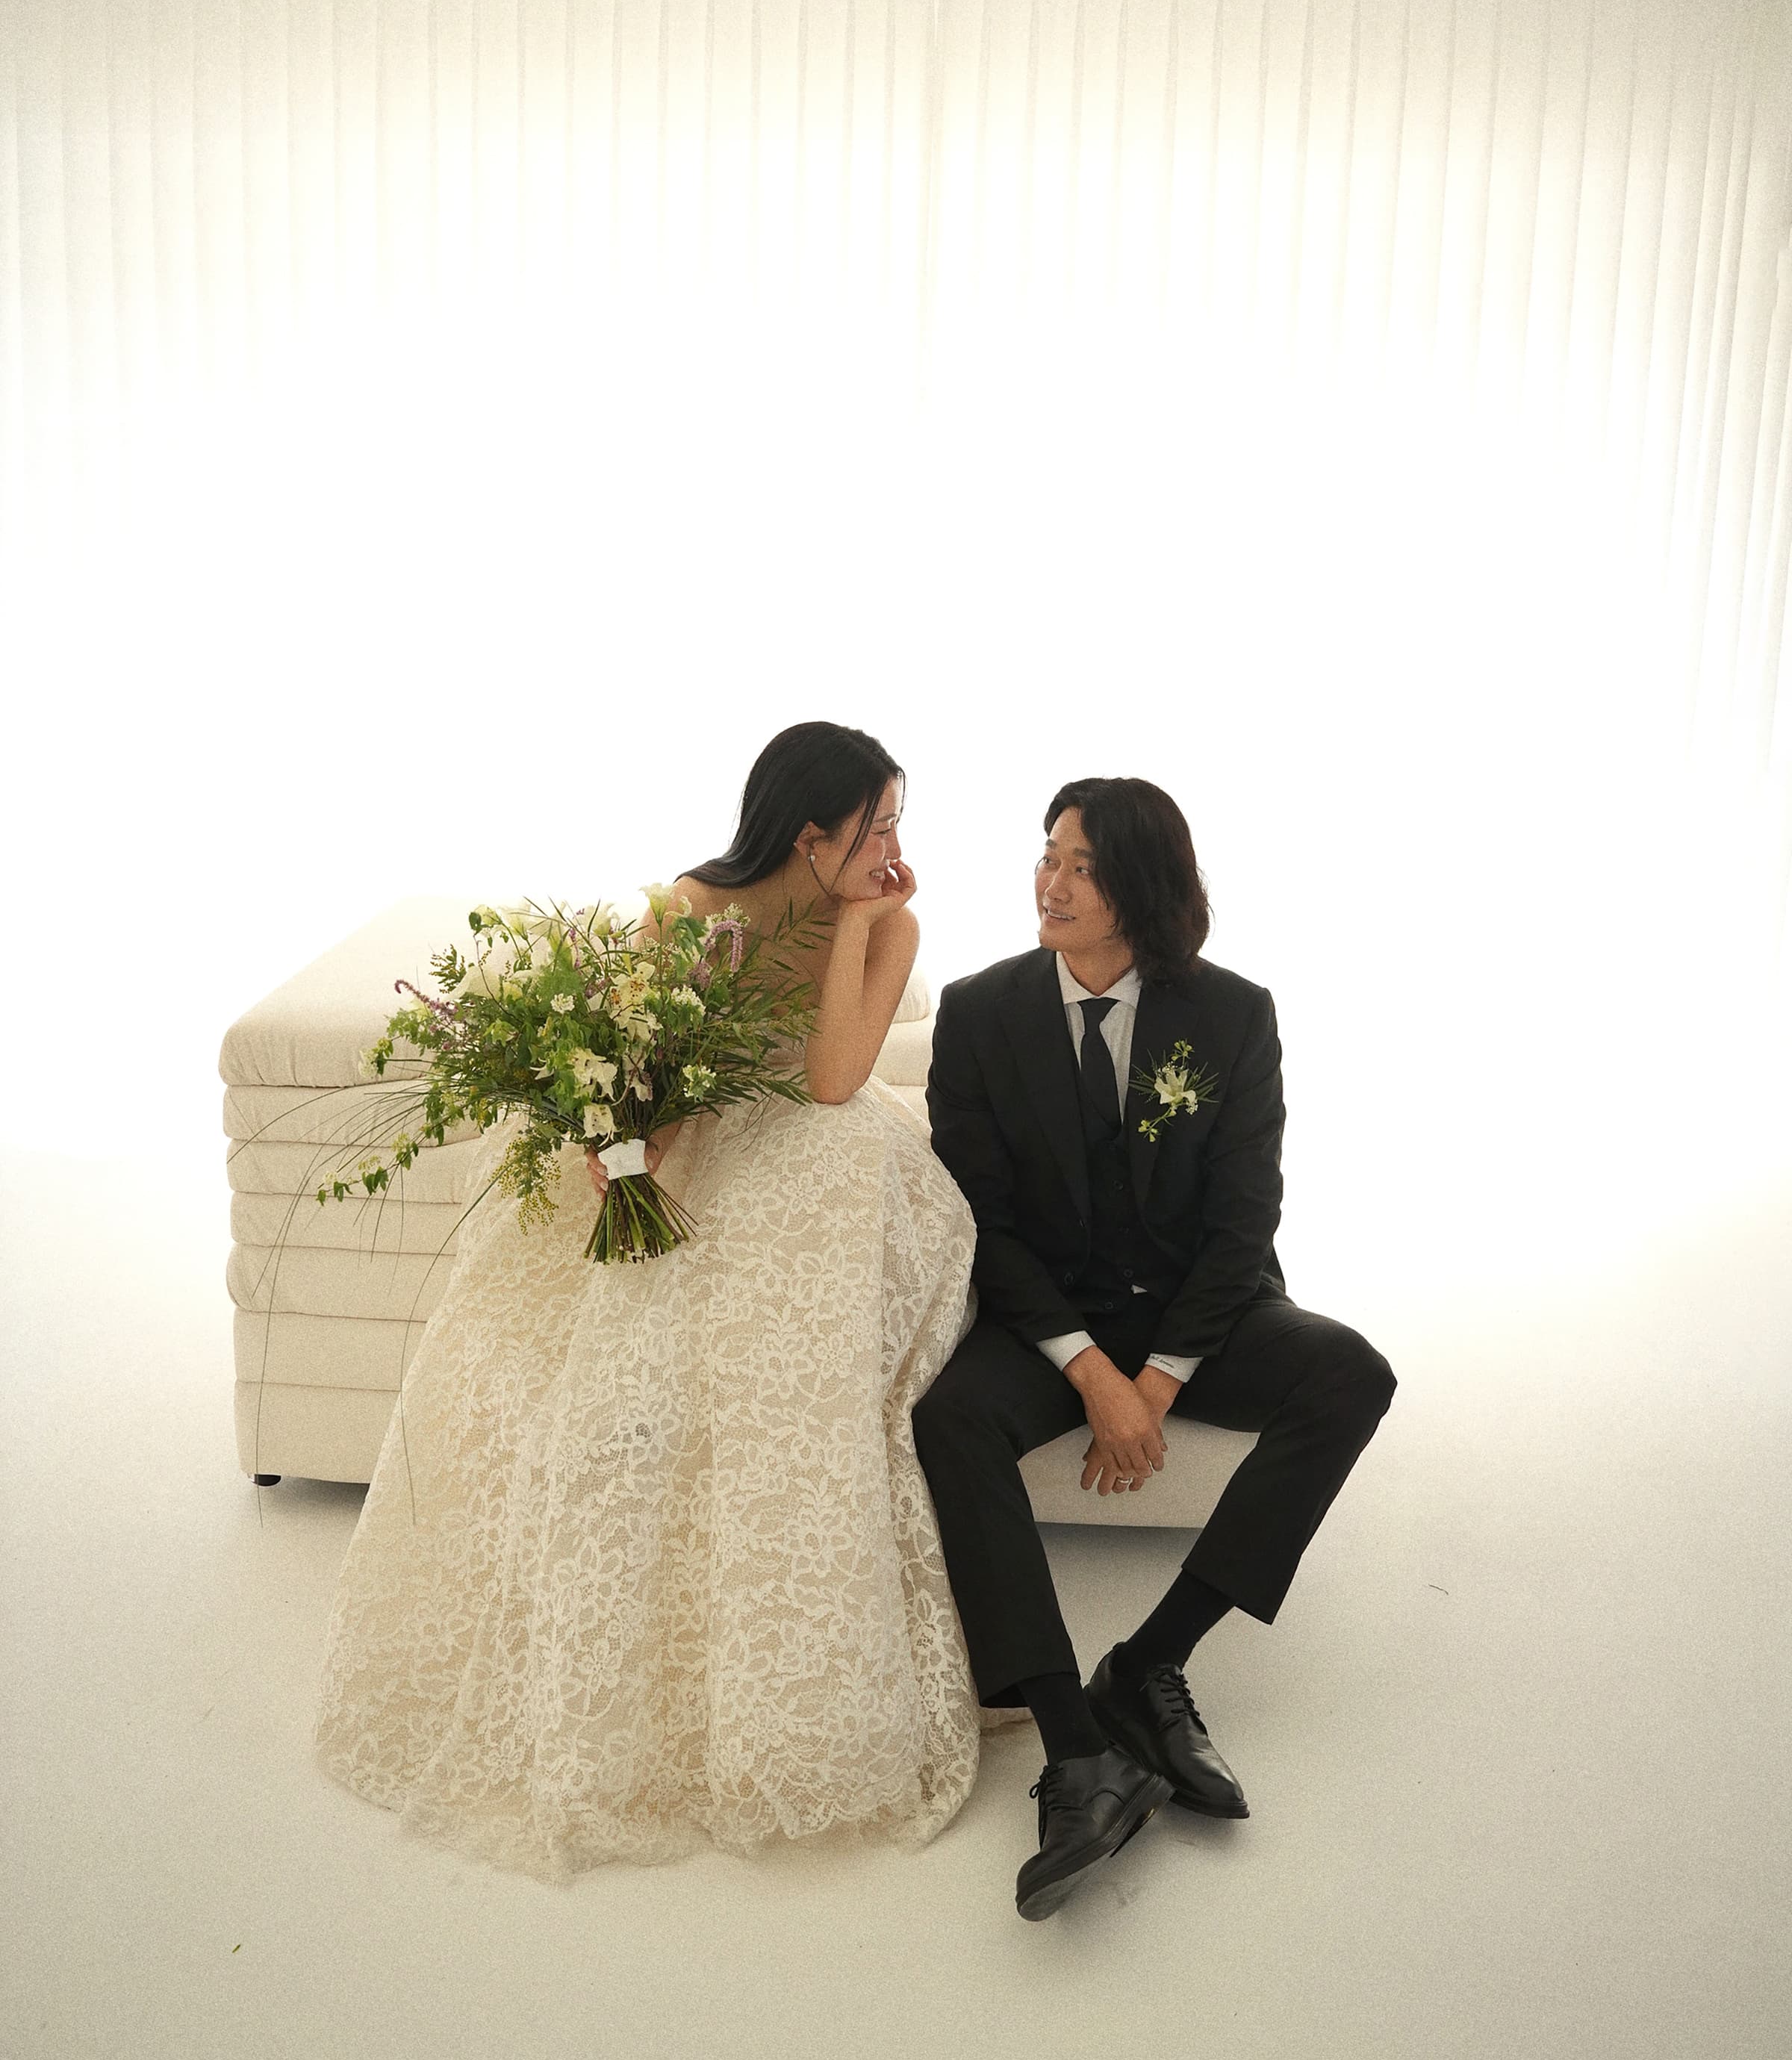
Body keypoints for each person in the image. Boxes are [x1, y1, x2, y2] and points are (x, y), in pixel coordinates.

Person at [313, 721, 1006, 1884]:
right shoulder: (690, 911)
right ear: (811, 832)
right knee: (617, 1325)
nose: (897, 847)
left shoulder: (891, 923)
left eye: (899, 822)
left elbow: (835, 1080)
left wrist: (855, 920)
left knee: (822, 1205)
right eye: (877, 826)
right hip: (692, 1136)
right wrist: (628, 1155)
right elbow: (655, 1073)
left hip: (814, 1137)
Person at [915, 777, 1398, 1920]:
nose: (1051, 881)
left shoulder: (1232, 1015)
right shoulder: (979, 1014)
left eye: (1081, 865)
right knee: (950, 1417)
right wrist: (1093, 1375)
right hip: (1051, 1318)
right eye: (1047, 855)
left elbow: (1244, 1223)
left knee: (1352, 1372)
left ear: (1140, 886)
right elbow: (983, 1223)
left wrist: (1160, 1382)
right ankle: (1077, 1748)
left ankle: (1149, 1664)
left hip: (1196, 1313)